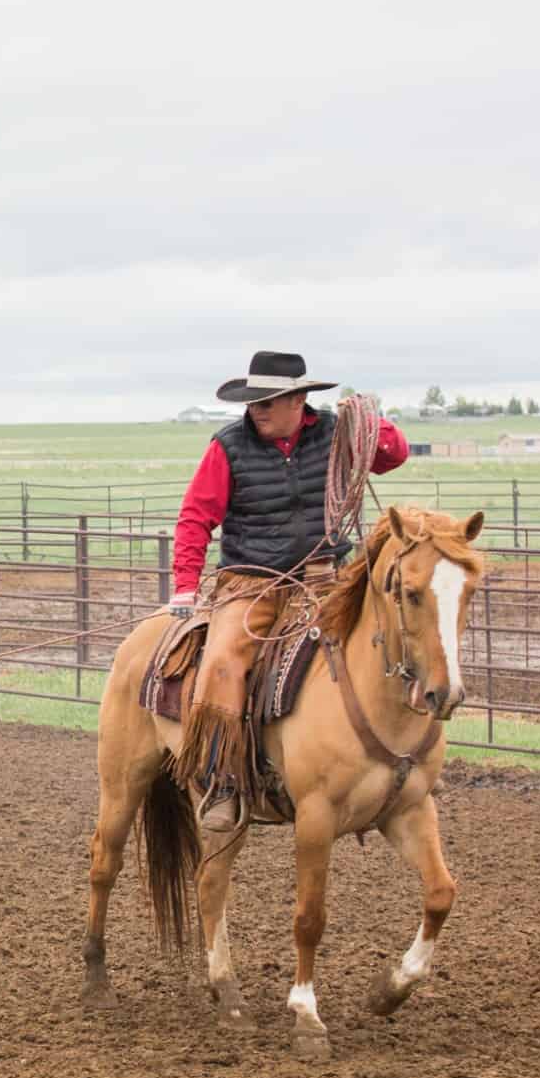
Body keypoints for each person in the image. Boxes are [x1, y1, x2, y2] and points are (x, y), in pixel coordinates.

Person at [170, 350, 409, 831]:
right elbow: (196, 515)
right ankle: (223, 778)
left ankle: (406, 755)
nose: (257, 409)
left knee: (391, 633)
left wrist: (368, 420)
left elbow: (394, 455)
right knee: (222, 661)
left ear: (300, 400)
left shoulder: (335, 434)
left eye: (270, 400)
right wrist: (184, 587)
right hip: (250, 582)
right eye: (254, 401)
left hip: (324, 576)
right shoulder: (228, 446)